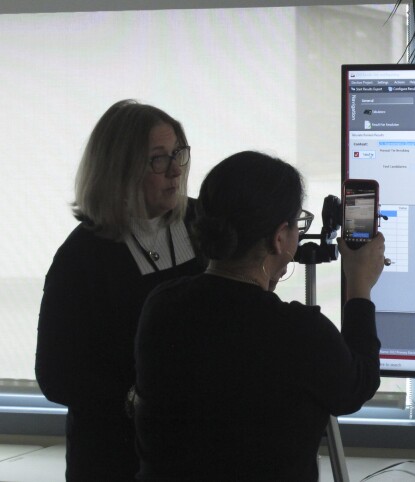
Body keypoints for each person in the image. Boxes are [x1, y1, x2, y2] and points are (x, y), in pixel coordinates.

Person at [133, 151, 385, 480]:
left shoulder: (162, 305)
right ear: (280, 237)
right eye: (298, 222)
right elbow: (358, 385)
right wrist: (360, 286)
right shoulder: (299, 333)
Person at [36, 99, 205, 480]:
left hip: (195, 448)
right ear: (120, 168)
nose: (176, 170)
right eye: (158, 159)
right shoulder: (82, 257)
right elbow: (56, 374)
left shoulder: (203, 223)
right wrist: (135, 401)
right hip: (115, 454)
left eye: (178, 153)